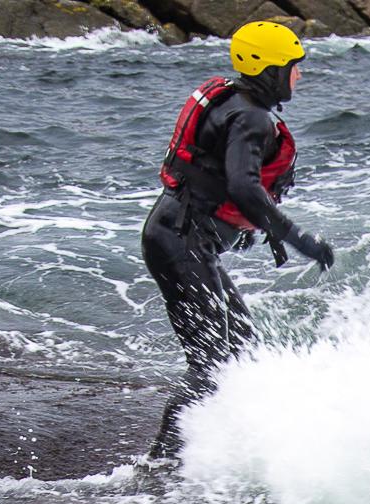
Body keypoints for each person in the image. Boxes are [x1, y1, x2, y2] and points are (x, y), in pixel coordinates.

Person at [143, 20, 336, 458]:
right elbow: (244, 187)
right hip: (181, 243)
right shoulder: (251, 118)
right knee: (210, 360)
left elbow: (216, 182)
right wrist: (297, 238)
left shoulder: (234, 101)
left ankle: (225, 448)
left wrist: (239, 227)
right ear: (270, 69)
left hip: (179, 236)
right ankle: (162, 462)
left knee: (242, 343)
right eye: (293, 66)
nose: (299, 76)